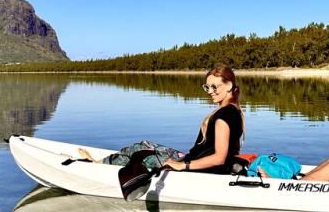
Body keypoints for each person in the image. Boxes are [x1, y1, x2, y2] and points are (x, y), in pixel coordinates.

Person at [95, 64, 245, 174]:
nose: (210, 92)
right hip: (188, 158)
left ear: (229, 85)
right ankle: (101, 163)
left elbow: (219, 158)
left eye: (214, 87)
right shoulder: (233, 111)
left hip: (191, 167)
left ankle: (95, 167)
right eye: (207, 88)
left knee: (138, 153)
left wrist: (182, 166)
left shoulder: (223, 117)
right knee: (143, 145)